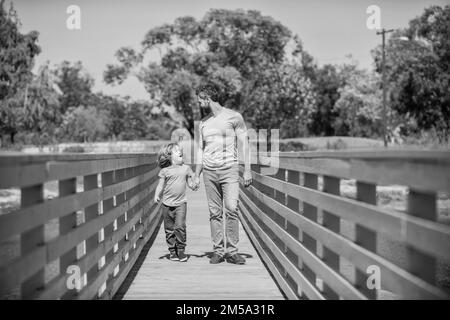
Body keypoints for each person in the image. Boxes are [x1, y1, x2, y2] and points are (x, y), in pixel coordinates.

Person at [193, 84, 252, 265]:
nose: (198, 102)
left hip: (230, 169)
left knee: (232, 208)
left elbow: (245, 143)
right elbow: (200, 150)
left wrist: (248, 169)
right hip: (209, 172)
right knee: (214, 212)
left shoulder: (234, 117)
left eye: (200, 99)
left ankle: (232, 251)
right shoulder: (203, 123)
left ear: (207, 98)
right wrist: (196, 174)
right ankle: (218, 251)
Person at [154, 142, 196, 262]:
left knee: (180, 227)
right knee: (169, 229)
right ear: (169, 156)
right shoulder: (165, 171)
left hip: (181, 203)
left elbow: (190, 182)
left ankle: (181, 250)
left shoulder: (186, 168)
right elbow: (160, 185)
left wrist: (194, 185)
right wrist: (156, 195)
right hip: (167, 204)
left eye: (180, 150)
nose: (180, 152)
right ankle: (172, 251)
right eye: (176, 150)